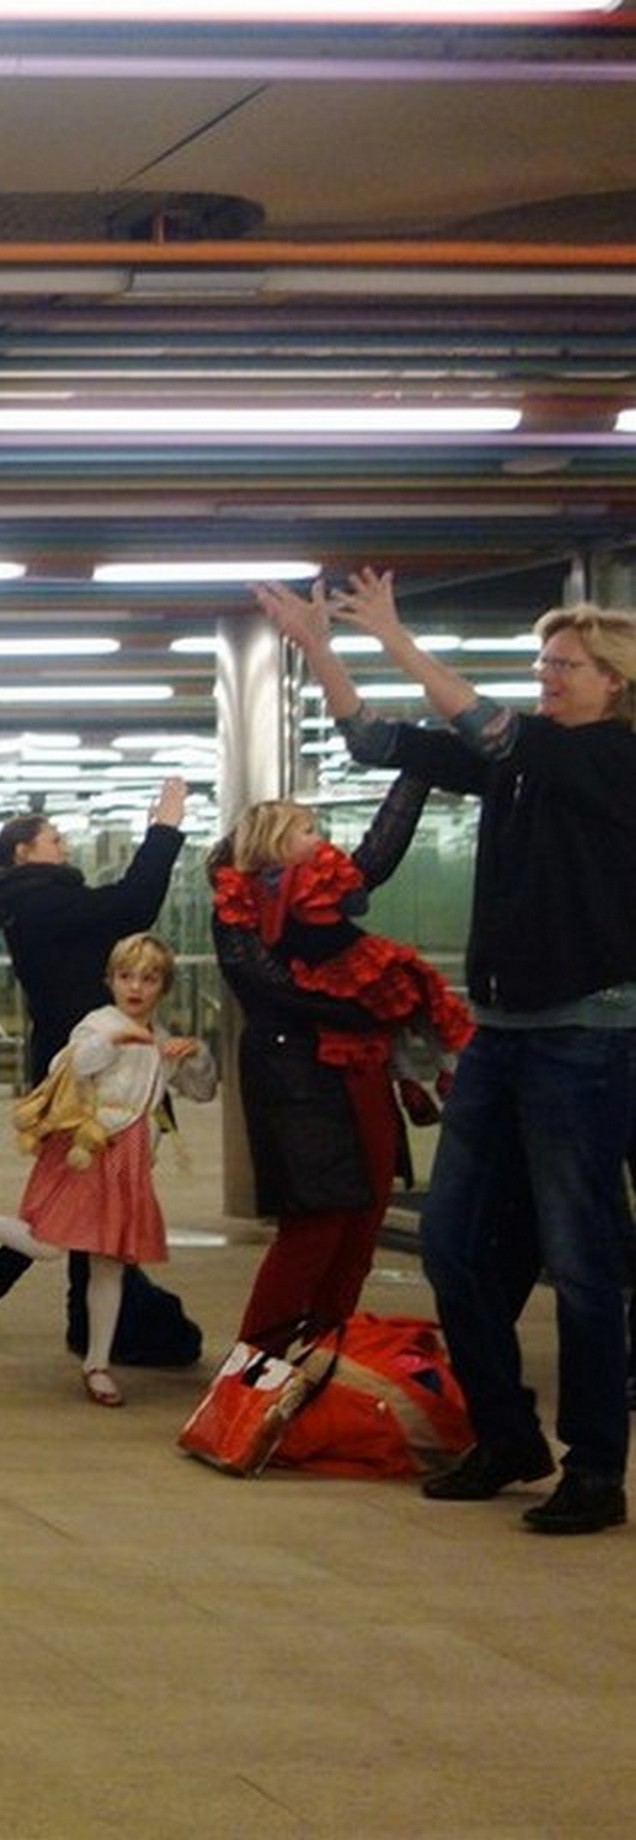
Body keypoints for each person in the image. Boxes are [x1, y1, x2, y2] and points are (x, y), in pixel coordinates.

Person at [276, 570, 636, 1535]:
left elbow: (486, 725)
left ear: (617, 683)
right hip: (504, 1035)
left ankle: (597, 1465)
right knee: (453, 1245)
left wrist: (392, 634)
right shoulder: (524, 758)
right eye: (543, 663)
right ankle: (508, 1433)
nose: (547, 676)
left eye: (567, 665)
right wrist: (320, 651)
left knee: (583, 1256)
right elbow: (377, 741)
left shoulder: (611, 759)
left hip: (587, 1037)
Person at [206, 764, 468, 1344]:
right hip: (297, 1071)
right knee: (318, 1222)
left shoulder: (325, 889)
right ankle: (259, 1364)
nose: (319, 839)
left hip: (357, 1066)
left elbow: (377, 855)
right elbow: (262, 983)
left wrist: (416, 773)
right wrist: (356, 1011)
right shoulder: (238, 901)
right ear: (272, 839)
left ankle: (325, 1350)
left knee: (363, 1213)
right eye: (306, 829)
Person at [0, 784, 207, 1368]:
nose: (64, 845)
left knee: (81, 1200)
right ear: (23, 852)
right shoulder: (39, 902)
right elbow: (132, 904)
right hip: (84, 1070)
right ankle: (17, 1286)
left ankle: (63, 1311)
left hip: (102, 1064)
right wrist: (166, 829)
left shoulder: (39, 898)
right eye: (53, 839)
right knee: (75, 1202)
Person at [0, 934, 218, 1407]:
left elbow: (203, 1090)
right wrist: (117, 1038)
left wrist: (197, 1055)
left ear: (163, 986)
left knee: (108, 1264)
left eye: (149, 979)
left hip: (129, 1163)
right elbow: (71, 1065)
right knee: (47, 1244)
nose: (136, 987)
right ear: (109, 980)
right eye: (127, 976)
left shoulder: (161, 1039)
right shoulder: (98, 1024)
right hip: (83, 1151)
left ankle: (98, 1364)